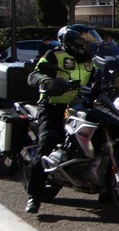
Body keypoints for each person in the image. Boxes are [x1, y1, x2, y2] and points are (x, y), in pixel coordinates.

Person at [25, 24, 102, 214]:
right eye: (82, 40)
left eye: (88, 40)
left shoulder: (91, 60)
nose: (86, 44)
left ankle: (108, 187)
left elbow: (102, 77)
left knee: (102, 138)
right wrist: (47, 81)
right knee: (48, 142)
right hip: (54, 105)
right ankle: (34, 195)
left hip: (80, 106)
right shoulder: (55, 55)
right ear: (71, 41)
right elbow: (34, 74)